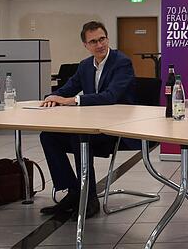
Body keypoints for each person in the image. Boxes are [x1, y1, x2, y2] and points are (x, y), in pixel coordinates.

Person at [39, 21, 135, 219]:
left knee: (78, 138)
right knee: (48, 136)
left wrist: (72, 100)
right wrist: (52, 97)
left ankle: (90, 198)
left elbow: (110, 96)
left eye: (102, 39)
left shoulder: (121, 62)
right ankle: (74, 191)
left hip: (116, 129)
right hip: (93, 127)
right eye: (93, 42)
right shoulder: (84, 66)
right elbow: (67, 88)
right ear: (86, 45)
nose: (99, 45)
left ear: (107, 38)